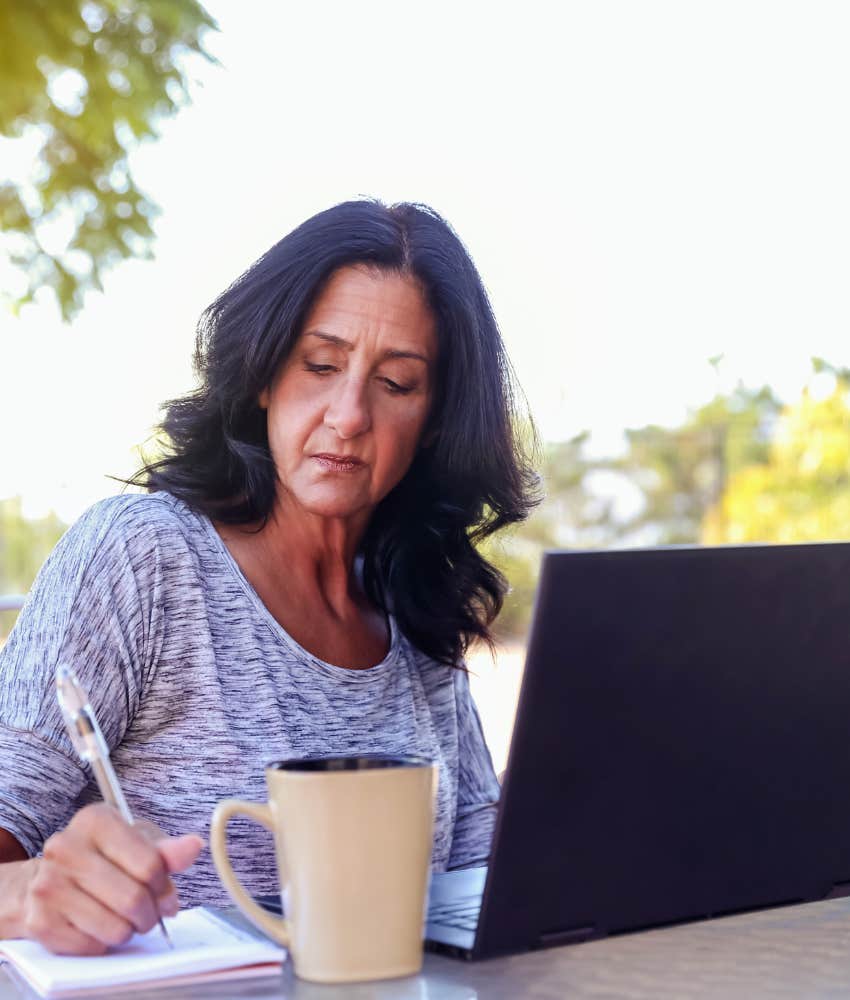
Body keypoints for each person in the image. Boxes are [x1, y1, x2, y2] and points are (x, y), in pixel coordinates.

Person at [0, 199, 539, 955]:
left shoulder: (413, 607)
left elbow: (484, 874)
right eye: (320, 364)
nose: (349, 415)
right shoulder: (144, 556)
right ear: (262, 373)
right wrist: (30, 896)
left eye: (397, 383)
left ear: (436, 416)